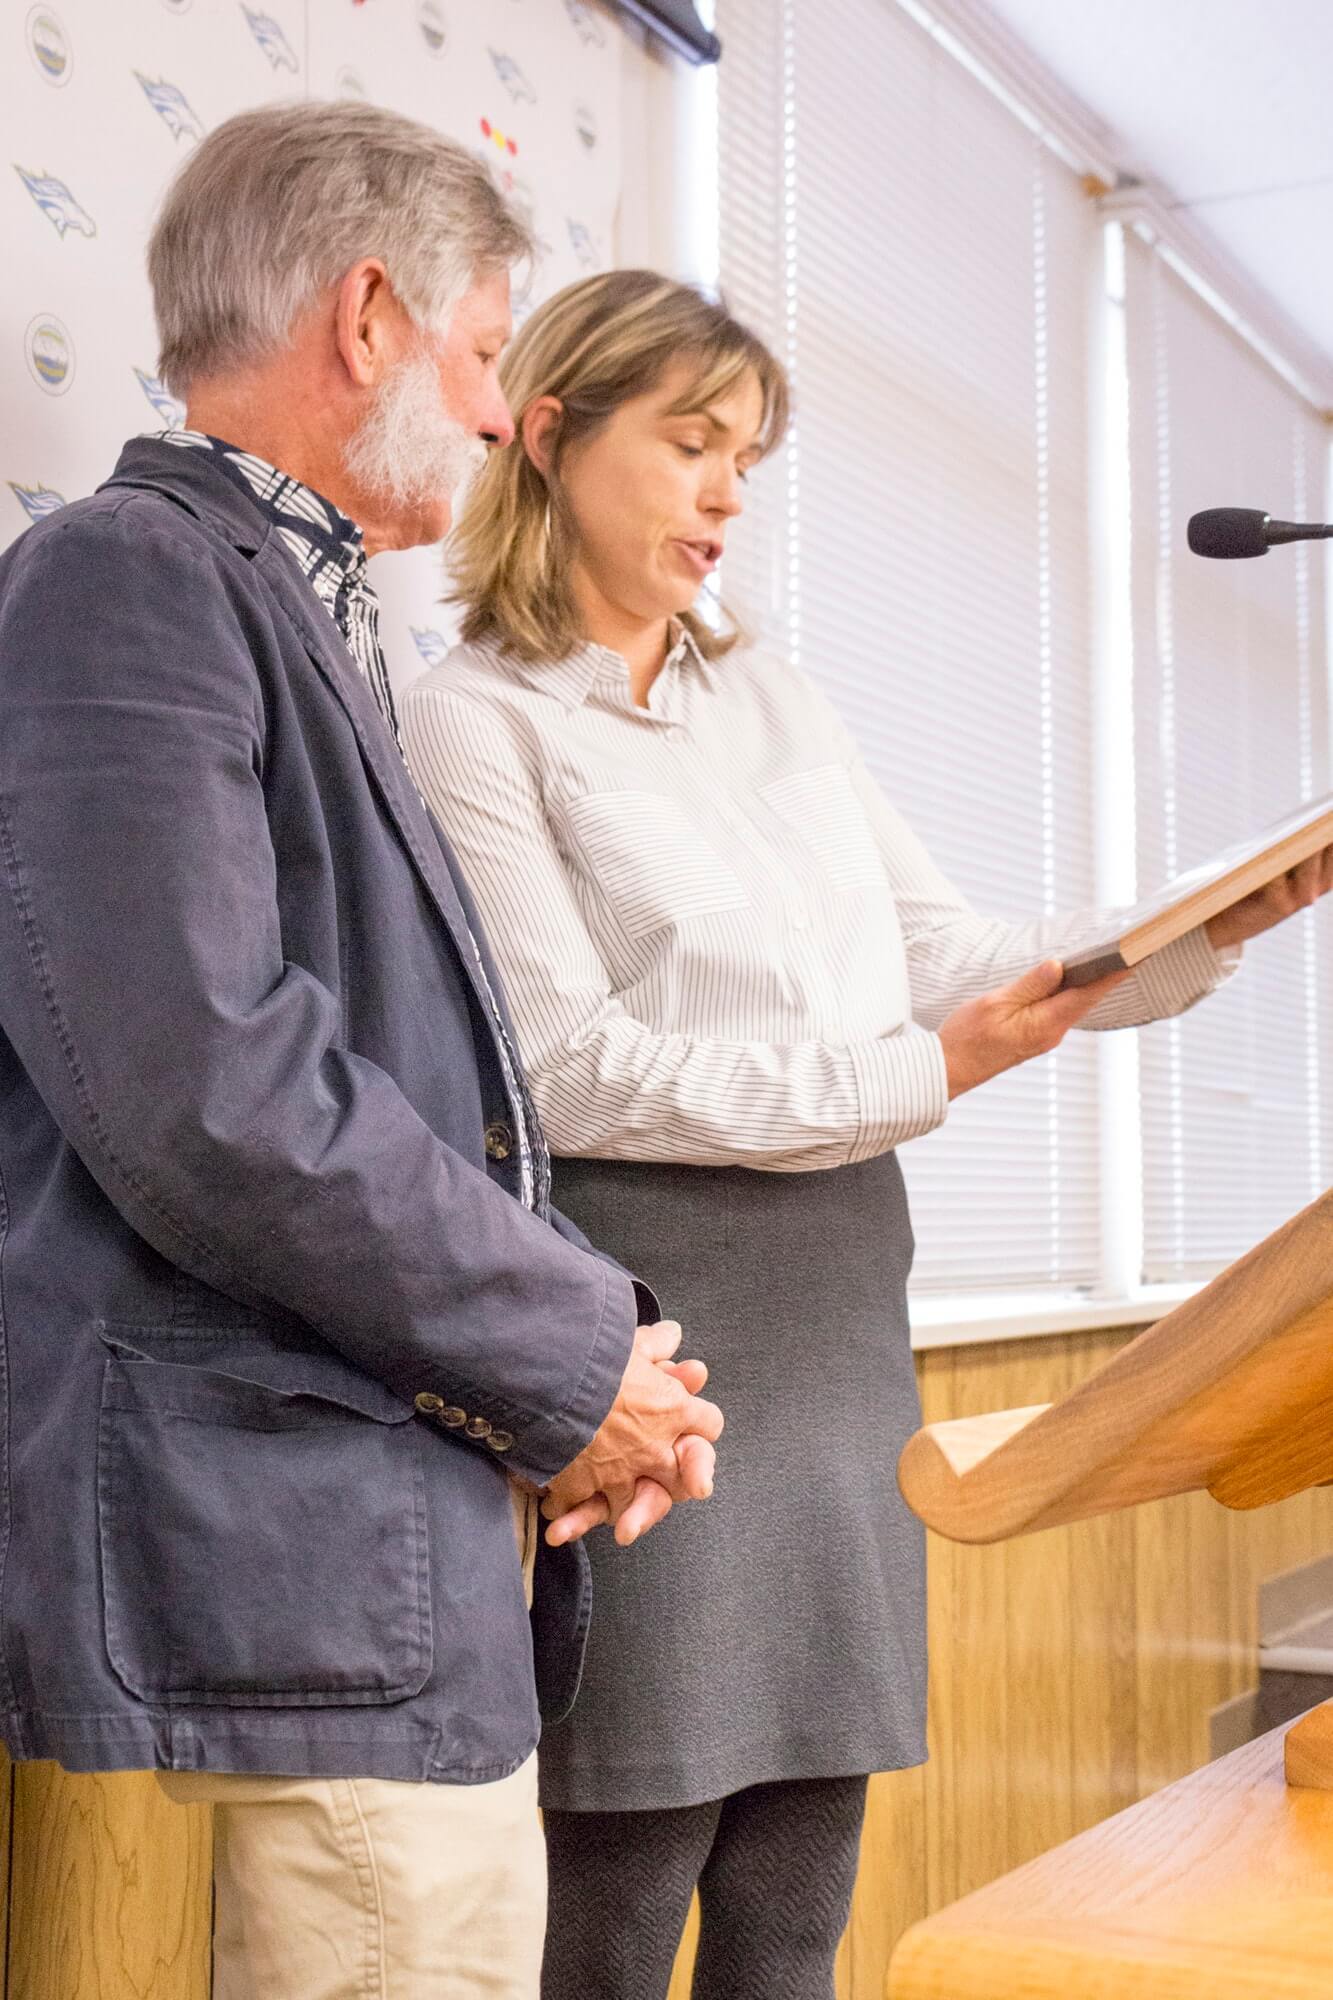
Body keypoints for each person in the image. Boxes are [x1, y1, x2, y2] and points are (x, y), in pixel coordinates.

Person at [401, 268, 1333, 2000]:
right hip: (648, 1333)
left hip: (839, 1317)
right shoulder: (474, 716)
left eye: (743, 455)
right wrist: (927, 1072)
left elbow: (948, 956)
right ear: (543, 434)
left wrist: (1207, 931)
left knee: (799, 1881)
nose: (725, 492)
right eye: (688, 443)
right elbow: (562, 1068)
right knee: (623, 1883)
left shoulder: (772, 696)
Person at [0, 118, 722, 2000]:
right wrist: (569, 1366)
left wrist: (561, 1380)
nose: (498, 422)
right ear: (370, 316)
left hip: (389, 1484)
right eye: (487, 355)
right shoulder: (130, 578)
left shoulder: (299, 609)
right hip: (301, 1512)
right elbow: (206, 1088)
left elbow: (382, 1091)